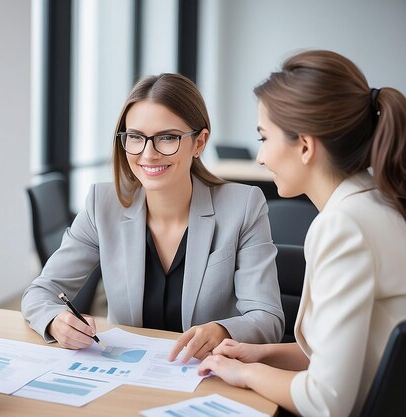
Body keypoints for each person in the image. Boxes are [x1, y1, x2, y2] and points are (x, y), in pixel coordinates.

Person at [197, 50, 406, 417]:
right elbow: (343, 353)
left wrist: (246, 373)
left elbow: (326, 402)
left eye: (264, 138)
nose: (260, 158)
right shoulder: (378, 203)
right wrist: (263, 354)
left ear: (306, 146)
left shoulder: (344, 227)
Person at [21, 73, 284, 360]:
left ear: (199, 142)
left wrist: (222, 330)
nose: (148, 154)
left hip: (208, 376)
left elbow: (267, 318)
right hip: (129, 376)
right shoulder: (103, 204)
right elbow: (41, 292)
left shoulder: (243, 207)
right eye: (135, 137)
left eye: (167, 138)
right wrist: (56, 321)